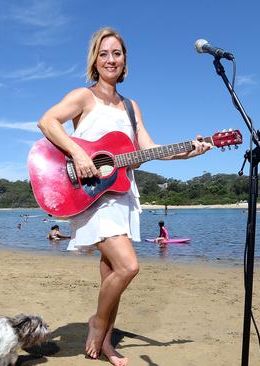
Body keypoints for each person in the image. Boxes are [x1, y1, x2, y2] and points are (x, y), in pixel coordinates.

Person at [37, 27, 211, 365]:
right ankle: (97, 323)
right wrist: (79, 153)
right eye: (104, 54)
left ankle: (105, 344)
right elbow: (47, 122)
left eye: (116, 53)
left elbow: (149, 149)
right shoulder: (83, 97)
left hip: (121, 192)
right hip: (90, 194)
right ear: (95, 60)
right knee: (129, 266)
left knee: (111, 273)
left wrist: (190, 151)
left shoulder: (131, 107)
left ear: (125, 60)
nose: (110, 59)